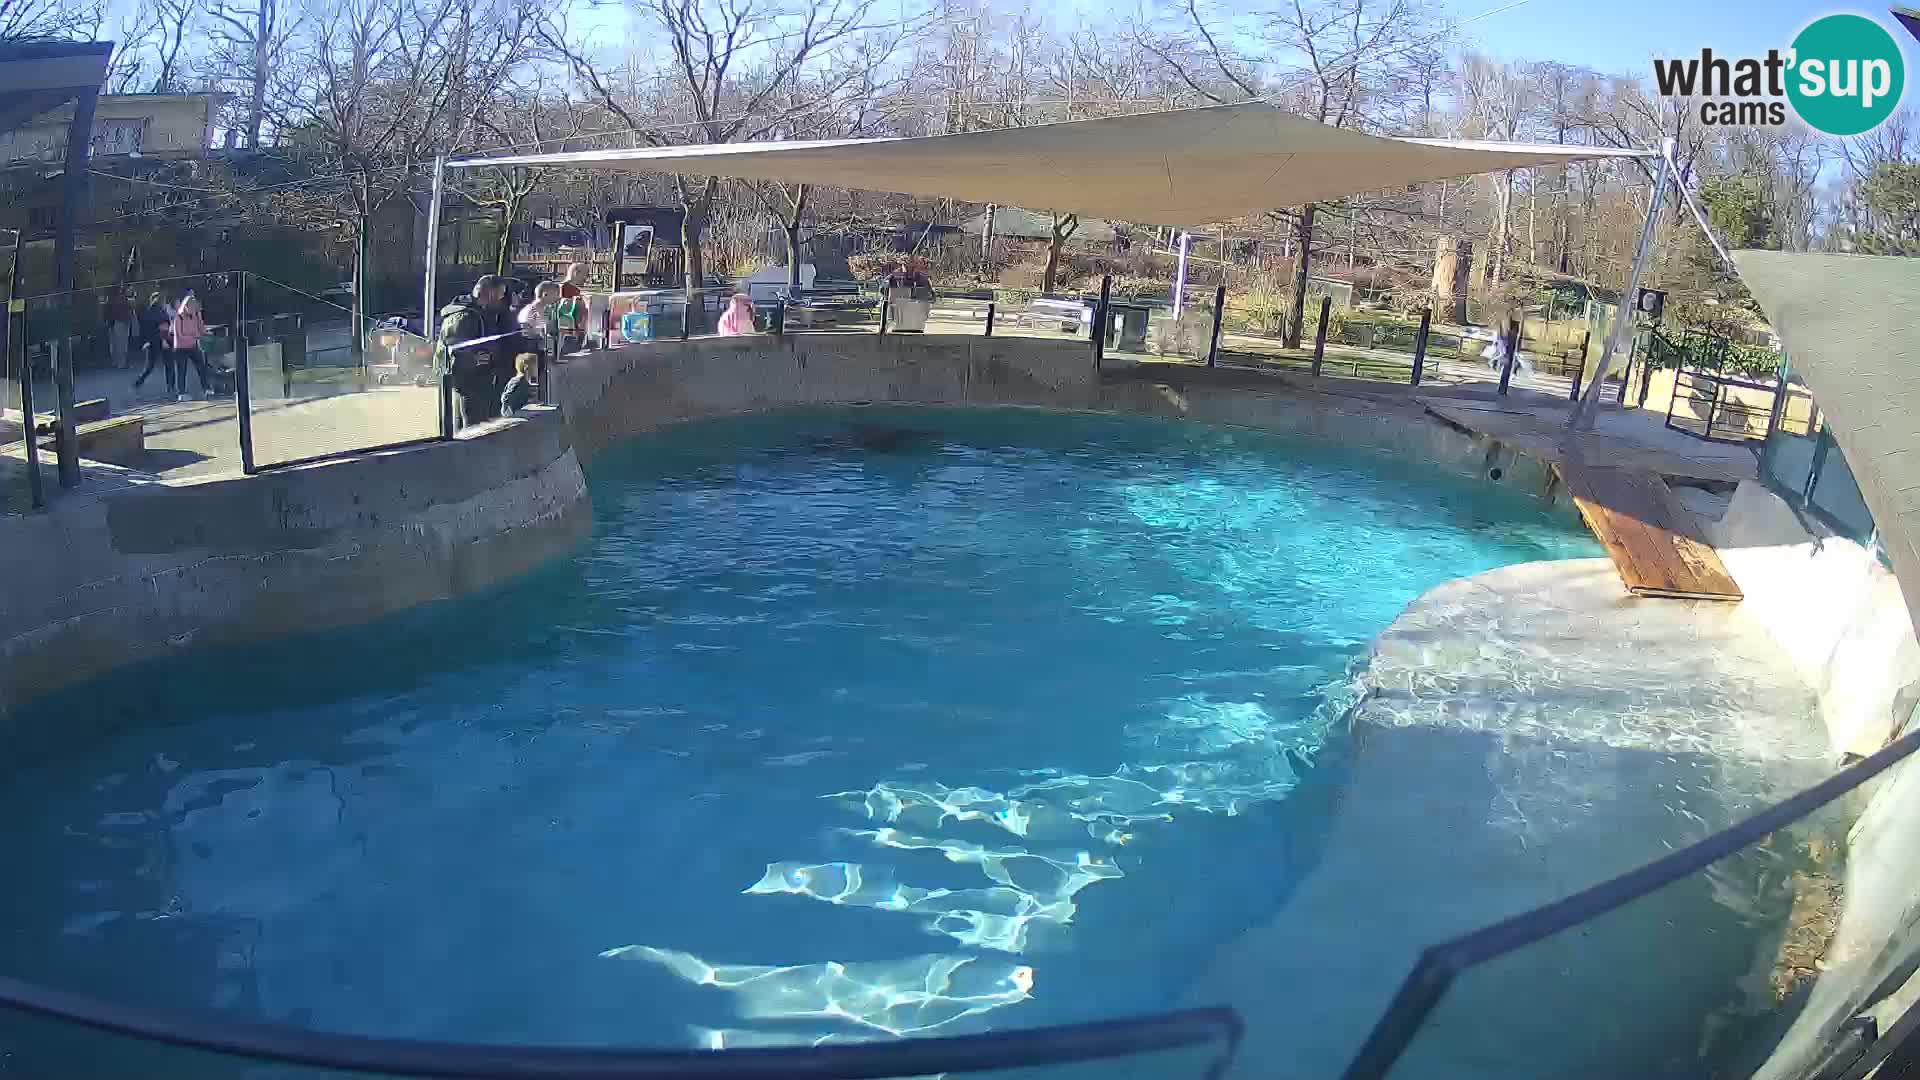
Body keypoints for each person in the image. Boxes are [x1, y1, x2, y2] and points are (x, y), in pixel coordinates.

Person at [436, 275, 510, 428]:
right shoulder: (463, 315)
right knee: (470, 426)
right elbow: (456, 349)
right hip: (468, 382)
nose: (502, 298)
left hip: (478, 379)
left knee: (473, 423)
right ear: (490, 292)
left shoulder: (479, 313)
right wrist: (476, 359)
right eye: (500, 294)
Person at [170, 292, 212, 400]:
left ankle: (206, 388)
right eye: (192, 307)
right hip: (181, 347)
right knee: (182, 370)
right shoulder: (178, 318)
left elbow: (201, 329)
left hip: (192, 346)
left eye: (195, 307)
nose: (194, 309)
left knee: (201, 367)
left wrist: (206, 332)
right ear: (186, 306)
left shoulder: (195, 315)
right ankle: (181, 393)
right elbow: (179, 335)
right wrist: (194, 337)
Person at [132, 291, 174, 397]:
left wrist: (145, 342)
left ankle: (138, 383)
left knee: (149, 367)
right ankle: (170, 387)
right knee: (169, 366)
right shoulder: (161, 312)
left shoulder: (148, 312)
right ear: (161, 301)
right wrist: (165, 340)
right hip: (162, 341)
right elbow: (163, 328)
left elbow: (145, 330)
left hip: (151, 342)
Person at [104, 287, 135, 369]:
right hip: (121, 322)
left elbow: (107, 312)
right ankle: (121, 363)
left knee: (114, 344)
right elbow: (129, 311)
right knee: (122, 344)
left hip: (113, 323)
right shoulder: (123, 300)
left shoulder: (110, 300)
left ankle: (115, 362)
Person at [500, 352, 539, 416]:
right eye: (535, 365)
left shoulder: (522, 381)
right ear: (526, 367)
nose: (537, 369)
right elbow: (506, 398)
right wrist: (510, 413)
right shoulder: (519, 381)